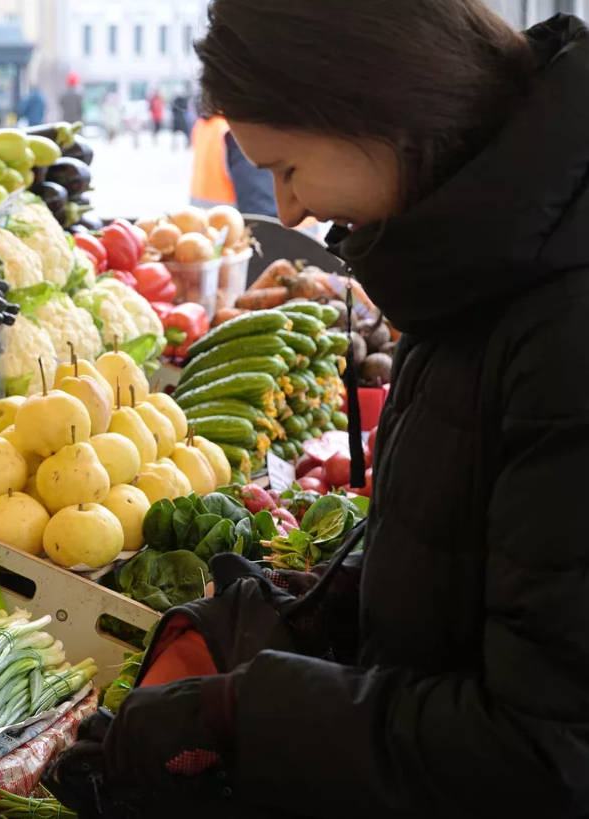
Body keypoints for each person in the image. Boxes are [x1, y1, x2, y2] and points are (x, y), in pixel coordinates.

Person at [47, 3, 589, 817]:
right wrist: (309, 615)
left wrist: (244, 713)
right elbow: (473, 561)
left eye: (289, 167)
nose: (290, 211)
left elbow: (544, 754)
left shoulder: (563, 322)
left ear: (373, 106)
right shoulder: (478, 263)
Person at [189, 114, 278, 217]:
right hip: (235, 228)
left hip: (209, 227)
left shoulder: (208, 122)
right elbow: (261, 210)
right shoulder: (242, 128)